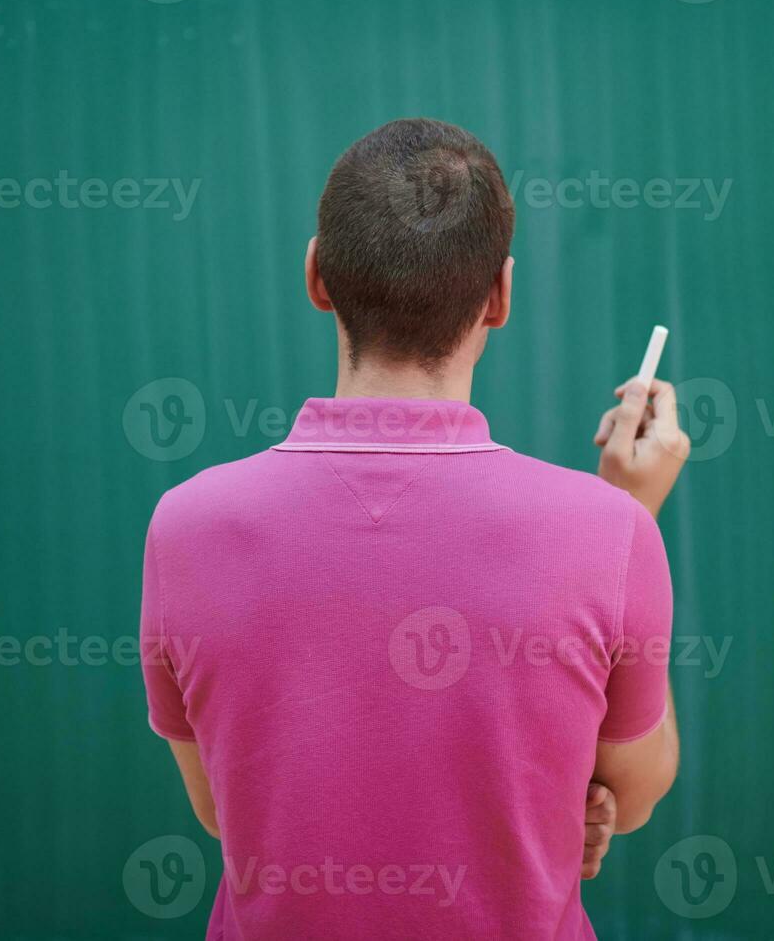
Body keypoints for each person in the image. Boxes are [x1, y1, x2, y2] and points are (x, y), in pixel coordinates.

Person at [140, 118, 688, 939]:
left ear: (316, 275)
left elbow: (225, 810)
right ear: (500, 297)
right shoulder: (607, 533)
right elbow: (631, 794)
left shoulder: (186, 525)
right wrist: (627, 518)